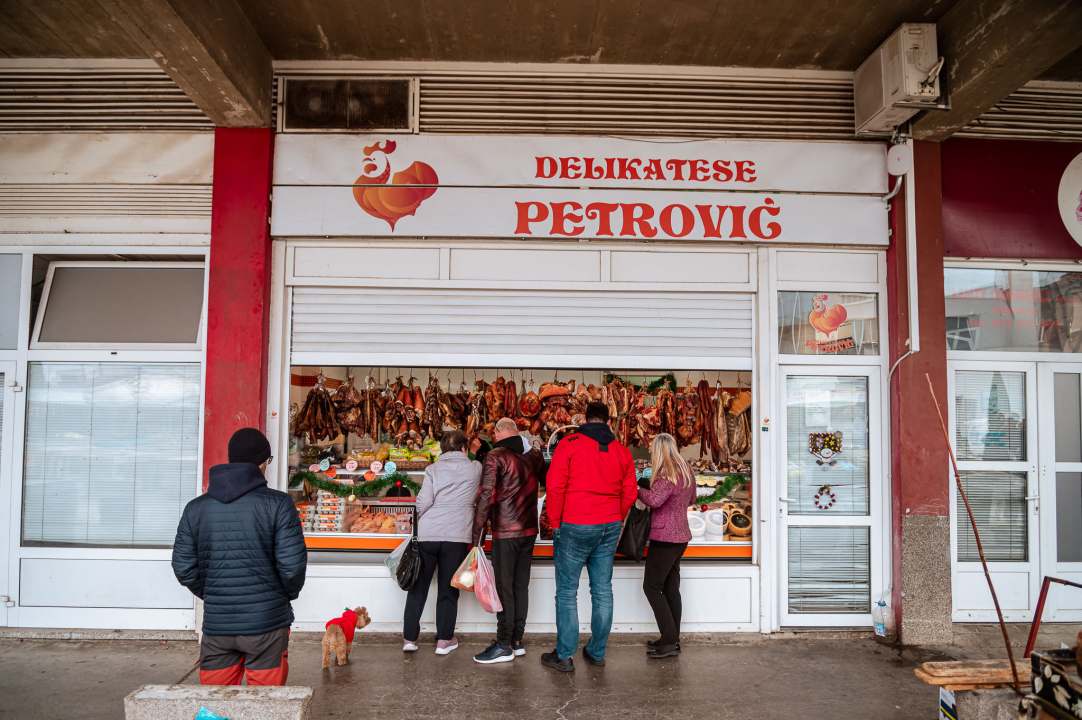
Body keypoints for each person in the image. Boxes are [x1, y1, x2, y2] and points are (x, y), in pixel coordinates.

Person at [172, 428, 307, 686]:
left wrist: (214, 593)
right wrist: (277, 597)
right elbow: (292, 568)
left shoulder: (195, 508)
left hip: (217, 627)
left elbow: (183, 566)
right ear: (263, 462)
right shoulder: (279, 504)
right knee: (266, 707)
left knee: (216, 706)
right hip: (267, 626)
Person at [541, 401, 637, 672]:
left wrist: (556, 521)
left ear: (585, 419)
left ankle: (565, 655)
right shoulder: (622, 451)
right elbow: (630, 493)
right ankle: (596, 652)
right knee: (603, 590)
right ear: (608, 421)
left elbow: (554, 486)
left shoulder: (569, 444)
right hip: (608, 525)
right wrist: (614, 517)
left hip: (574, 523)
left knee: (567, 591)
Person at [470, 417, 545, 664]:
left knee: (504, 587)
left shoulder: (496, 455)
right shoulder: (534, 454)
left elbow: (485, 496)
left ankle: (503, 644)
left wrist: (476, 536)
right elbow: (544, 483)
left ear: (498, 433)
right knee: (520, 586)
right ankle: (517, 641)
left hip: (506, 531)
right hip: (529, 530)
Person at [402, 429, 481, 655]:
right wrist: (473, 453)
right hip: (456, 536)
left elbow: (423, 501)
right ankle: (444, 641)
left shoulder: (432, 468)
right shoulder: (476, 468)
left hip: (428, 534)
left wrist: (419, 521)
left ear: (442, 449)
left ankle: (410, 639)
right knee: (448, 588)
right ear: (465, 448)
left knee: (418, 586)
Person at [637, 433, 695, 658]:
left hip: (664, 538)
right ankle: (672, 637)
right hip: (681, 536)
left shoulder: (667, 474)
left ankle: (669, 640)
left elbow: (653, 500)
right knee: (671, 588)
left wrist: (636, 488)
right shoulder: (687, 471)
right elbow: (691, 500)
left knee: (651, 587)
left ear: (659, 451)